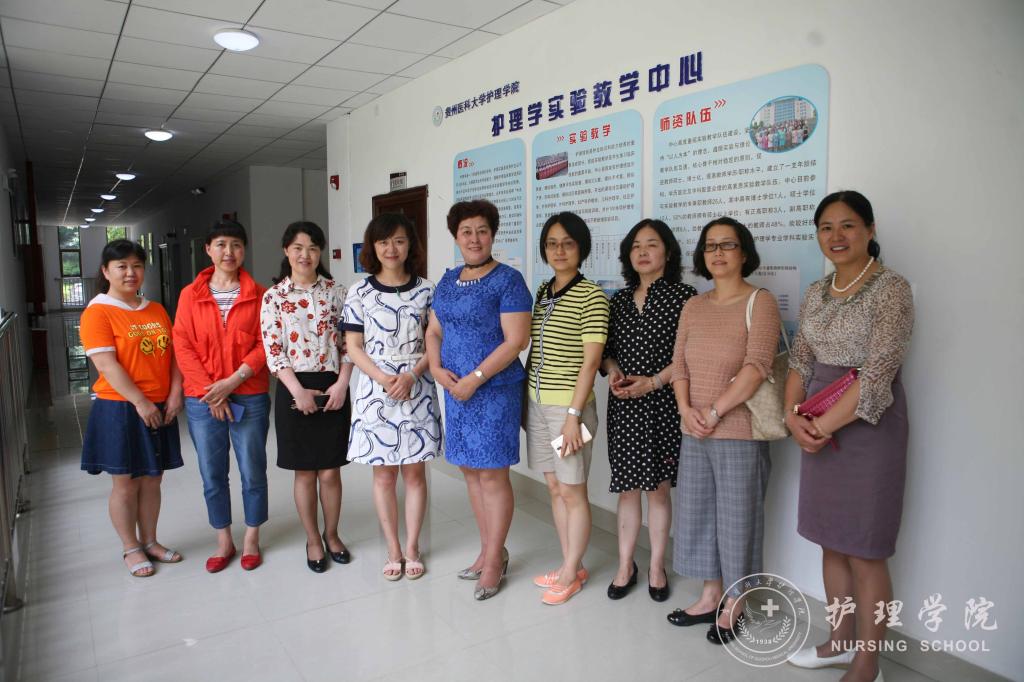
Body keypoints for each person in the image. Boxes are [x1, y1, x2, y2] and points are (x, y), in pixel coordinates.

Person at [784, 191, 913, 682]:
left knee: (865, 549)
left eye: (848, 225)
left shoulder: (891, 288)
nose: (836, 236)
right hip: (816, 418)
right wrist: (793, 416)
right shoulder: (817, 292)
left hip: (868, 426)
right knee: (831, 542)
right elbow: (800, 361)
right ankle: (838, 642)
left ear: (870, 230)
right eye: (826, 227)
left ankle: (867, 663)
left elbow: (878, 372)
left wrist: (820, 425)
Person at [667, 216, 781, 645]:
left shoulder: (760, 301)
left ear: (744, 252)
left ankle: (737, 601)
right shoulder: (694, 306)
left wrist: (714, 411)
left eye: (727, 245)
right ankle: (710, 594)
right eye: (710, 245)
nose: (717, 253)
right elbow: (679, 365)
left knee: (737, 519)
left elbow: (757, 367)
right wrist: (686, 410)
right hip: (694, 428)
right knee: (697, 514)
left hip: (738, 430)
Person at [426, 199, 532, 600]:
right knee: (470, 471)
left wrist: (475, 378)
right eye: (466, 231)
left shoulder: (508, 280)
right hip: (456, 392)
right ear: (456, 236)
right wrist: (436, 368)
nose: (474, 239)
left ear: (493, 234)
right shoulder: (448, 280)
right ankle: (491, 551)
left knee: (492, 474)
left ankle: (493, 562)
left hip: (494, 392)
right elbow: (434, 331)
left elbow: (516, 340)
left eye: (482, 231)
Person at [341, 213, 442, 581]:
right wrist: (385, 378)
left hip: (417, 386)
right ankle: (393, 549)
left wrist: (412, 374)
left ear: (410, 244)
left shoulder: (428, 290)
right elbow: (353, 346)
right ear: (373, 246)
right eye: (383, 241)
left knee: (415, 473)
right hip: (376, 389)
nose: (391, 248)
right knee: (383, 476)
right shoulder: (359, 292)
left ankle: (412, 547)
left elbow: (436, 341)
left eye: (399, 240)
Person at [602, 219, 696, 602]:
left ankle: (657, 566)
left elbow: (688, 356)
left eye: (652, 244)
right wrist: (613, 372)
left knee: (658, 490)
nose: (642, 252)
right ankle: (626, 565)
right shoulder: (619, 301)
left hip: (663, 405)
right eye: (636, 245)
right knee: (627, 490)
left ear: (668, 252)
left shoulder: (685, 297)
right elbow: (606, 352)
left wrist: (654, 381)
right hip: (624, 405)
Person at [80, 239, 184, 577]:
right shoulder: (98, 312)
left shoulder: (155, 310)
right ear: (106, 271)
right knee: (125, 483)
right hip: (120, 407)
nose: (130, 273)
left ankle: (150, 541)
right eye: (122, 266)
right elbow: (106, 365)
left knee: (153, 480)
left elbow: (174, 355)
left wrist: (175, 393)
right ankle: (131, 547)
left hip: (160, 404)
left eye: (137, 266)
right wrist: (140, 402)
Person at [173, 220, 270, 573]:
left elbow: (265, 344)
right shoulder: (189, 295)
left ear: (244, 250)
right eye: (221, 244)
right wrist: (212, 393)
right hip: (203, 400)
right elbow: (183, 345)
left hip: (249, 394)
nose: (229, 252)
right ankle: (224, 540)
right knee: (212, 472)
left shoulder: (260, 295)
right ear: (208, 249)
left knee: (252, 469)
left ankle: (252, 538)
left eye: (236, 245)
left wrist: (233, 382)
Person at [524, 212, 608, 606]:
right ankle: (569, 564)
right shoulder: (544, 291)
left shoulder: (591, 296)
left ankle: (571, 573)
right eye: (552, 243)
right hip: (538, 404)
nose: (559, 250)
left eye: (568, 243)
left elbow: (591, 363)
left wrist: (574, 417)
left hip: (568, 412)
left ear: (581, 248)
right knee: (555, 487)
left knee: (573, 491)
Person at [260, 221, 353, 573]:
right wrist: (297, 391)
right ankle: (313, 539)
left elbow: (349, 344)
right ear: (286, 250)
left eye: (313, 248)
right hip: (293, 387)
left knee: (330, 472)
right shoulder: (274, 297)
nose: (305, 255)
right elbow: (273, 350)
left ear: (320, 252)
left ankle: (332, 534)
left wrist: (342, 384)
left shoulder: (337, 292)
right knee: (304, 473)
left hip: (333, 386)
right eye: (298, 248)